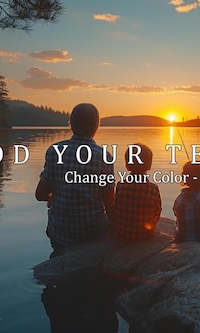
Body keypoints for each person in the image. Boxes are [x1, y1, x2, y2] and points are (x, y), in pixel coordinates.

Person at [35, 103, 114, 255]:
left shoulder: (54, 151)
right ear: (96, 126)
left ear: (71, 124)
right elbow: (109, 205)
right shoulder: (104, 156)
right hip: (93, 230)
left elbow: (40, 195)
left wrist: (52, 197)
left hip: (60, 231)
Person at [111, 143, 162, 241]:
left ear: (127, 166)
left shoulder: (120, 185)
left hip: (121, 232)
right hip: (145, 234)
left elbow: (116, 206)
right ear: (149, 166)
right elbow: (157, 210)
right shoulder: (153, 188)